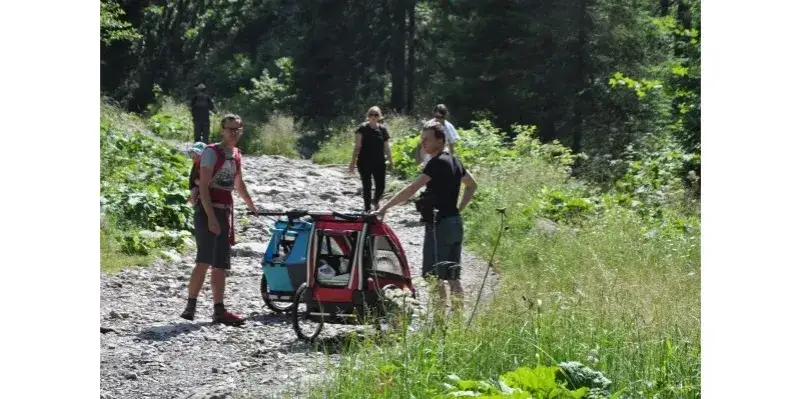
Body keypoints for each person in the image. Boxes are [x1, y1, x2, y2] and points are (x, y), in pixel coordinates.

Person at [373, 121, 477, 318]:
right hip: (455, 223)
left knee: (434, 276)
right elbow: (472, 185)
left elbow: (412, 188)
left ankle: (438, 322)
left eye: (427, 139)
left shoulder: (436, 163)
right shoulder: (455, 161)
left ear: (440, 140)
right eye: (422, 139)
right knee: (453, 276)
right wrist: (458, 209)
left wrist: (385, 208)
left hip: (440, 225)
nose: (423, 143)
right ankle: (457, 321)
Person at [180, 114, 258, 326]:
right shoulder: (211, 153)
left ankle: (219, 310)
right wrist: (211, 218)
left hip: (224, 211)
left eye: (237, 129)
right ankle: (190, 306)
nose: (234, 132)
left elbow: (238, 183)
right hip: (208, 210)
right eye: (230, 129)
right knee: (204, 259)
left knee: (220, 264)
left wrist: (251, 205)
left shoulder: (236, 154)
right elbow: (204, 187)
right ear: (222, 130)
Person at [349, 106, 394, 213]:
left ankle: (375, 200)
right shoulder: (362, 128)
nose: (373, 116)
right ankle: (367, 208)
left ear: (379, 116)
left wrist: (391, 161)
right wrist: (352, 162)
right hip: (364, 162)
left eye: (376, 114)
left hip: (379, 162)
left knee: (381, 186)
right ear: (368, 116)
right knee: (367, 186)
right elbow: (357, 146)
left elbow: (387, 147)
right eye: (371, 114)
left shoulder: (382, 129)